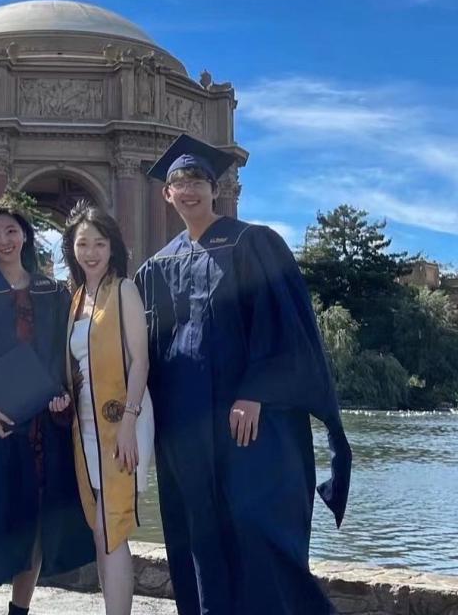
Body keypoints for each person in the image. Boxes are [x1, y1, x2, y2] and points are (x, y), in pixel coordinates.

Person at [135, 134, 352, 615]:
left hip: (249, 423)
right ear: (165, 195)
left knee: (258, 525)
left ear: (215, 189)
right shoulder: (155, 267)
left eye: (197, 180)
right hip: (185, 428)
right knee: (198, 531)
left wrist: (255, 391)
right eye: (178, 182)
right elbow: (142, 350)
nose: (188, 189)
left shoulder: (254, 243)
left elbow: (287, 328)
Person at [0, 206, 94, 615]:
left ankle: (19, 610)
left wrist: (63, 395)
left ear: (25, 236)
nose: (5, 240)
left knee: (35, 524)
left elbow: (62, 358)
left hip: (41, 423)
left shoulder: (51, 290)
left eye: (12, 231)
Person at [50, 202, 155, 615]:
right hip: (86, 424)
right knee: (100, 528)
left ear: (112, 247)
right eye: (82, 243)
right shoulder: (77, 299)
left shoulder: (123, 290)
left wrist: (129, 422)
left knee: (113, 527)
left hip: (124, 418)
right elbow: (78, 368)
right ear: (71, 249)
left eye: (99, 242)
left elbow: (140, 361)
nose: (91, 251)